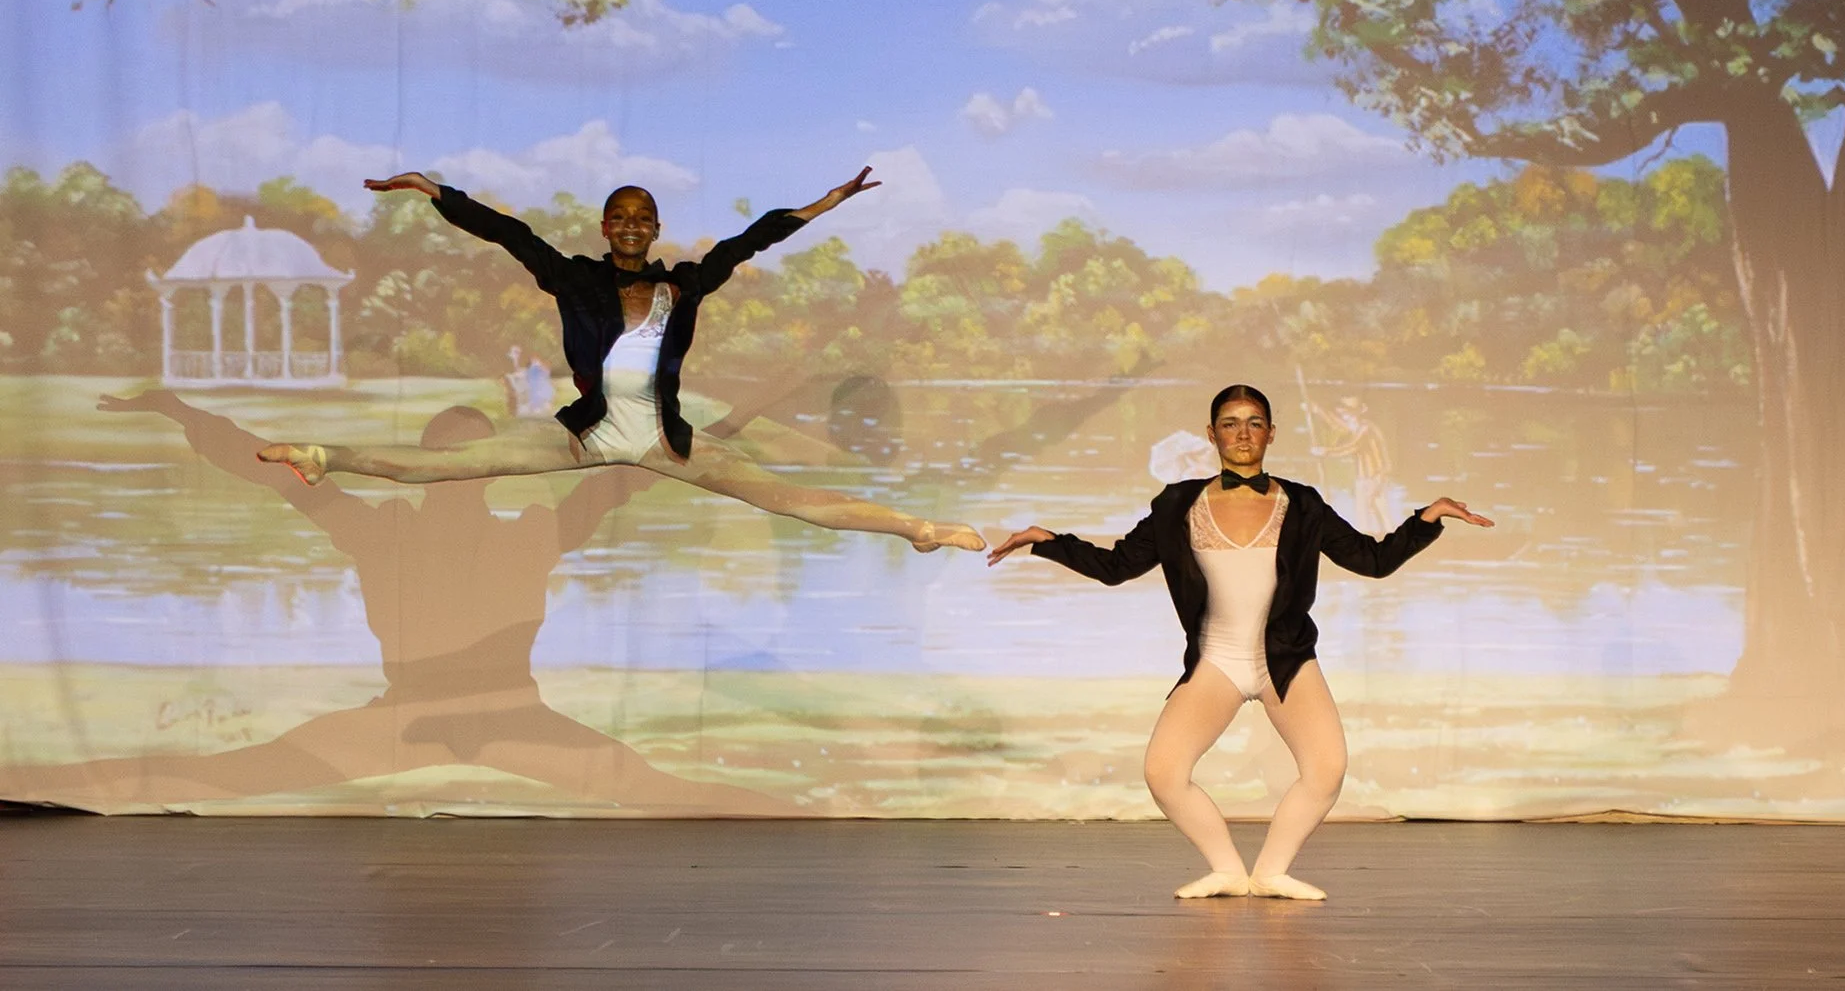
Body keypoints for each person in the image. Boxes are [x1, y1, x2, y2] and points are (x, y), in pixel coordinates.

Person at [3, 391, 786, 815]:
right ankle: (40, 782)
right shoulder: (385, 531)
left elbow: (637, 474)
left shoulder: (530, 532)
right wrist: (183, 414)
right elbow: (273, 472)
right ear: (419, 462)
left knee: (672, 795)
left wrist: (734, 418)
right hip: (403, 716)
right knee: (225, 775)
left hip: (512, 718)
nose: (462, 466)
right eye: (446, 452)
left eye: (475, 453)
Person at [258, 168, 984, 553]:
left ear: (656, 228)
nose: (632, 226)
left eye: (644, 218)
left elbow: (752, 239)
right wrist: (433, 191)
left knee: (790, 499)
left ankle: (919, 530)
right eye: (621, 217)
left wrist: (822, 206)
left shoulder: (686, 282)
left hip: (668, 439)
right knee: (456, 463)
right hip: (588, 431)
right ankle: (326, 454)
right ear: (606, 227)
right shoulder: (575, 276)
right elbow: (509, 234)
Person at [987, 384, 1492, 901]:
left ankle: (1272, 870)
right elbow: (1117, 567)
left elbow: (1373, 560)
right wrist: (1049, 543)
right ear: (1212, 434)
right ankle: (1227, 869)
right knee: (1163, 772)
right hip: (1217, 661)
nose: (1243, 433)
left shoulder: (1304, 504)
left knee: (1327, 769)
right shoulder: (1177, 503)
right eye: (1230, 423)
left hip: (1286, 659)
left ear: (1271, 433)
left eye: (1254, 423)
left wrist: (1427, 519)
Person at [1310, 395, 1393, 536]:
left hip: (1373, 477)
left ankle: (1384, 545)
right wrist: (1319, 411)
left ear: (1359, 412)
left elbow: (1351, 447)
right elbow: (1338, 425)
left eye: (1348, 412)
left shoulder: (1365, 429)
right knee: (1376, 514)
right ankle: (1391, 544)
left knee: (1369, 514)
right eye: (1342, 411)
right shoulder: (1358, 426)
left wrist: (1325, 452)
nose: (1344, 415)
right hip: (1369, 477)